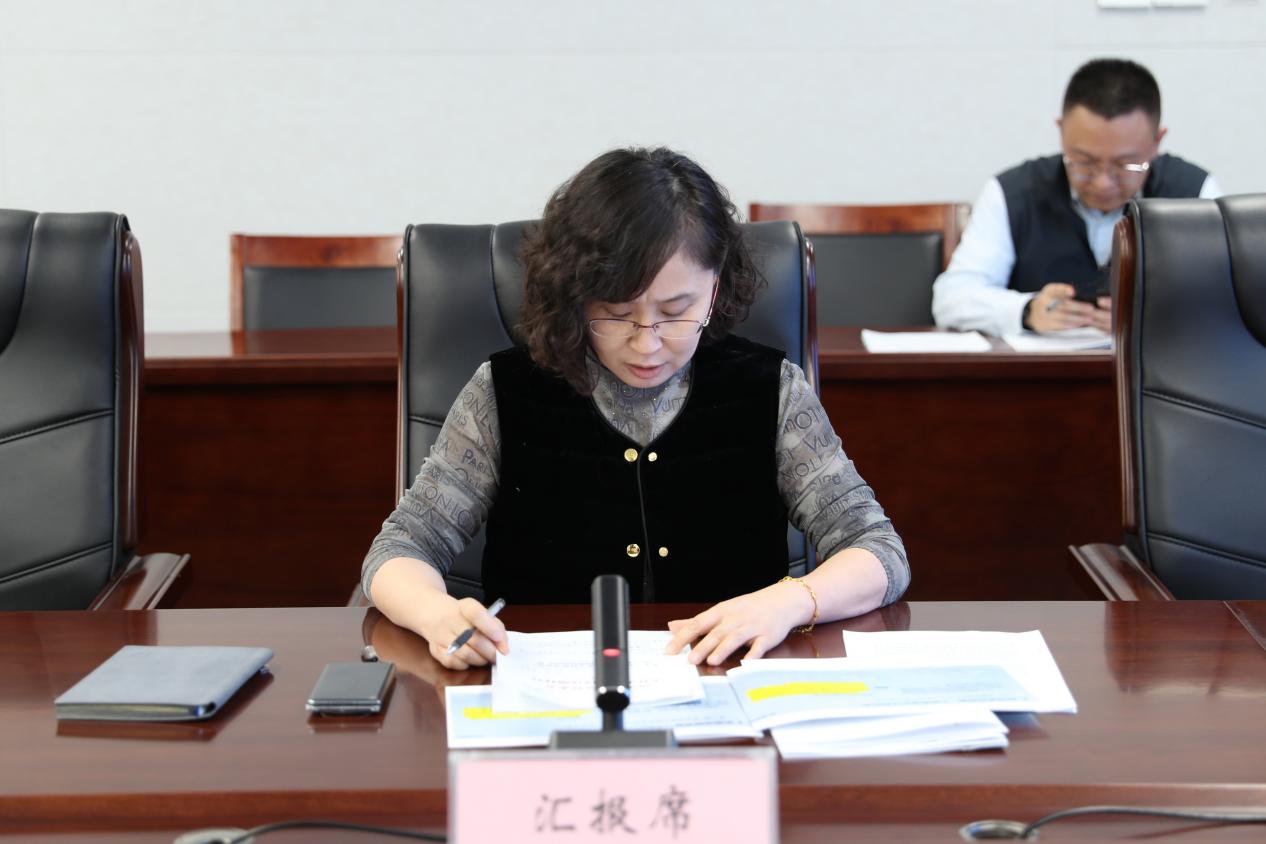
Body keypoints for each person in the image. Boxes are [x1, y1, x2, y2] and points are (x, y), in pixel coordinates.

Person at [361, 147, 909, 670]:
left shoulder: (772, 388)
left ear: (714, 288)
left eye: (676, 310)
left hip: (729, 683)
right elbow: (399, 549)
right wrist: (437, 615)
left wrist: (790, 601)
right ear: (576, 295)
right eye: (617, 314)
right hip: (552, 693)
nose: (647, 344)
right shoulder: (504, 391)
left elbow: (878, 550)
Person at [932, 58, 1220, 337]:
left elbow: (1227, 302)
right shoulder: (1012, 193)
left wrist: (1153, 318)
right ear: (1061, 132)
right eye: (1084, 162)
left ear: (1157, 141)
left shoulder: (1196, 197)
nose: (1103, 182)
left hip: (1158, 370)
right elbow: (951, 298)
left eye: (1125, 164)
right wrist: (1026, 310)